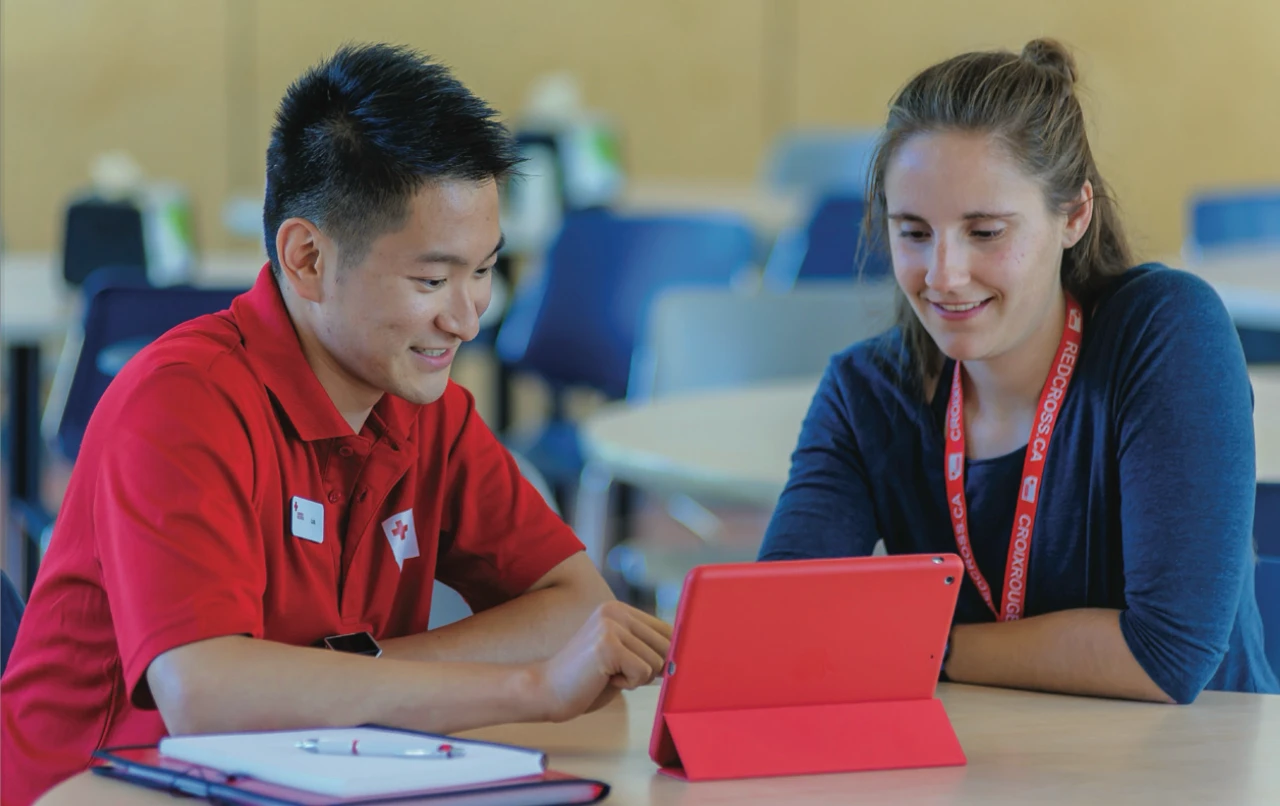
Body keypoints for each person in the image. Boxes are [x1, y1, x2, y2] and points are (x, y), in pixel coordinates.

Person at [1, 43, 670, 805]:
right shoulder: (182, 402)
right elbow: (206, 695)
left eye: (484, 271)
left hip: (309, 779)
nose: (466, 319)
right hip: (98, 788)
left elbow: (574, 606)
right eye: (431, 279)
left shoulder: (427, 407)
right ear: (308, 258)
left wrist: (354, 673)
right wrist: (530, 687)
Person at [758, 39, 1278, 705]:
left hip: (1192, 758)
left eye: (985, 232)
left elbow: (1167, 654)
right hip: (981, 756)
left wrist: (917, 645)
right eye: (913, 232)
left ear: (1075, 215)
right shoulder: (867, 391)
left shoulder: (1166, 331)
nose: (944, 275)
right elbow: (781, 625)